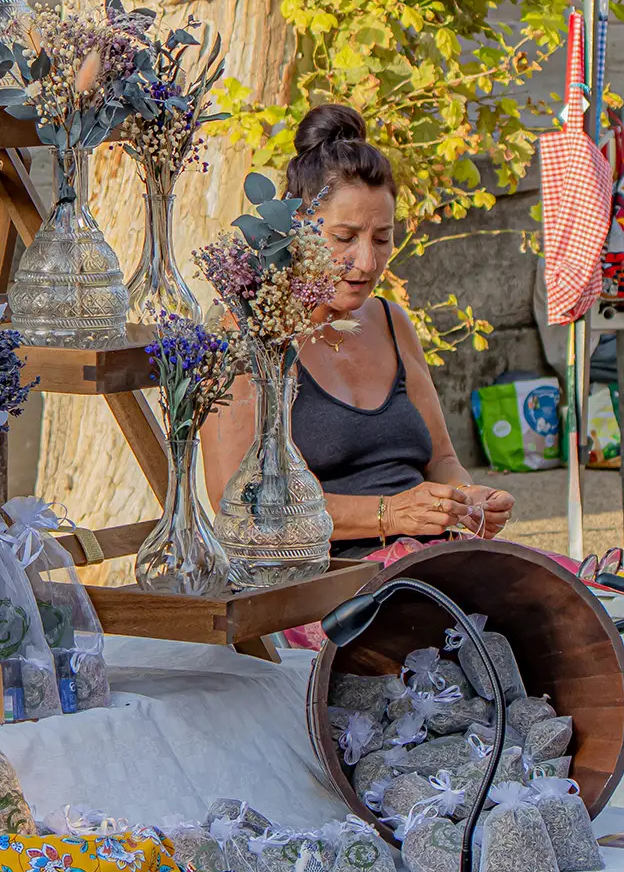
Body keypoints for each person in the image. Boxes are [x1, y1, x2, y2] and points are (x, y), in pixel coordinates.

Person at [203, 103, 515, 555]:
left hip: (430, 561)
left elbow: (442, 460)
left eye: (382, 238)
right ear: (298, 228)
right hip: (328, 583)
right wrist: (389, 514)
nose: (367, 263)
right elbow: (238, 508)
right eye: (345, 238)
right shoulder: (246, 333)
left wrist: (466, 500)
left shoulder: (392, 321)